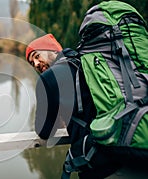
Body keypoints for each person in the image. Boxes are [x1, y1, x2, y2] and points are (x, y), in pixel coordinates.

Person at [26, 35, 148, 178]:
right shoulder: (91, 62)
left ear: (52, 49)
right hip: (133, 149)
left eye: (36, 56)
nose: (35, 64)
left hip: (99, 164)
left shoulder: (48, 78)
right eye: (31, 63)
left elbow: (44, 131)